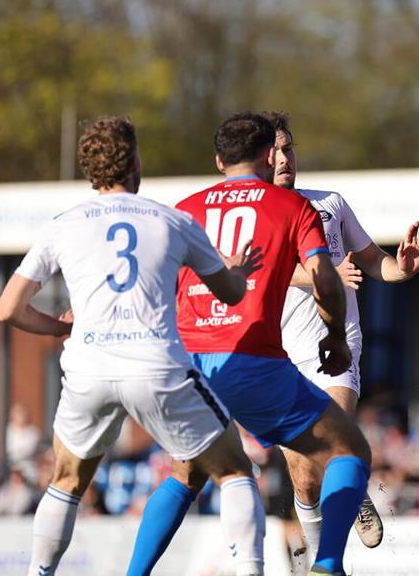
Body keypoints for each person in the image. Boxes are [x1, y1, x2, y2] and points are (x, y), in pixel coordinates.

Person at [0, 117, 266, 576]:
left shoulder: (63, 225)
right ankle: (251, 571)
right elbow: (232, 294)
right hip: (157, 366)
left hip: (88, 369)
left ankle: (38, 573)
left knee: (65, 482)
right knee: (234, 469)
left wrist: (58, 329)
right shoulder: (172, 220)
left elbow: (7, 309)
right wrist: (236, 269)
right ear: (135, 161)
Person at [126, 113, 371, 576]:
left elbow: (153, 284)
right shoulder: (292, 207)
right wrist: (336, 336)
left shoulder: (186, 209)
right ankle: (328, 566)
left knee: (190, 473)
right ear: (266, 155)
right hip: (252, 360)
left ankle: (133, 574)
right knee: (348, 449)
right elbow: (325, 278)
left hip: (191, 367)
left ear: (219, 160)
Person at [270, 112, 419, 558]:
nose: (286, 158)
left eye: (290, 147)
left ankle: (328, 561)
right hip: (277, 353)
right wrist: (323, 276)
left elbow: (371, 258)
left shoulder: (329, 204)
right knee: (304, 477)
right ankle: (320, 554)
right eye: (276, 150)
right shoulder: (257, 215)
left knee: (337, 434)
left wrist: (401, 268)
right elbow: (263, 273)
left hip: (334, 342)